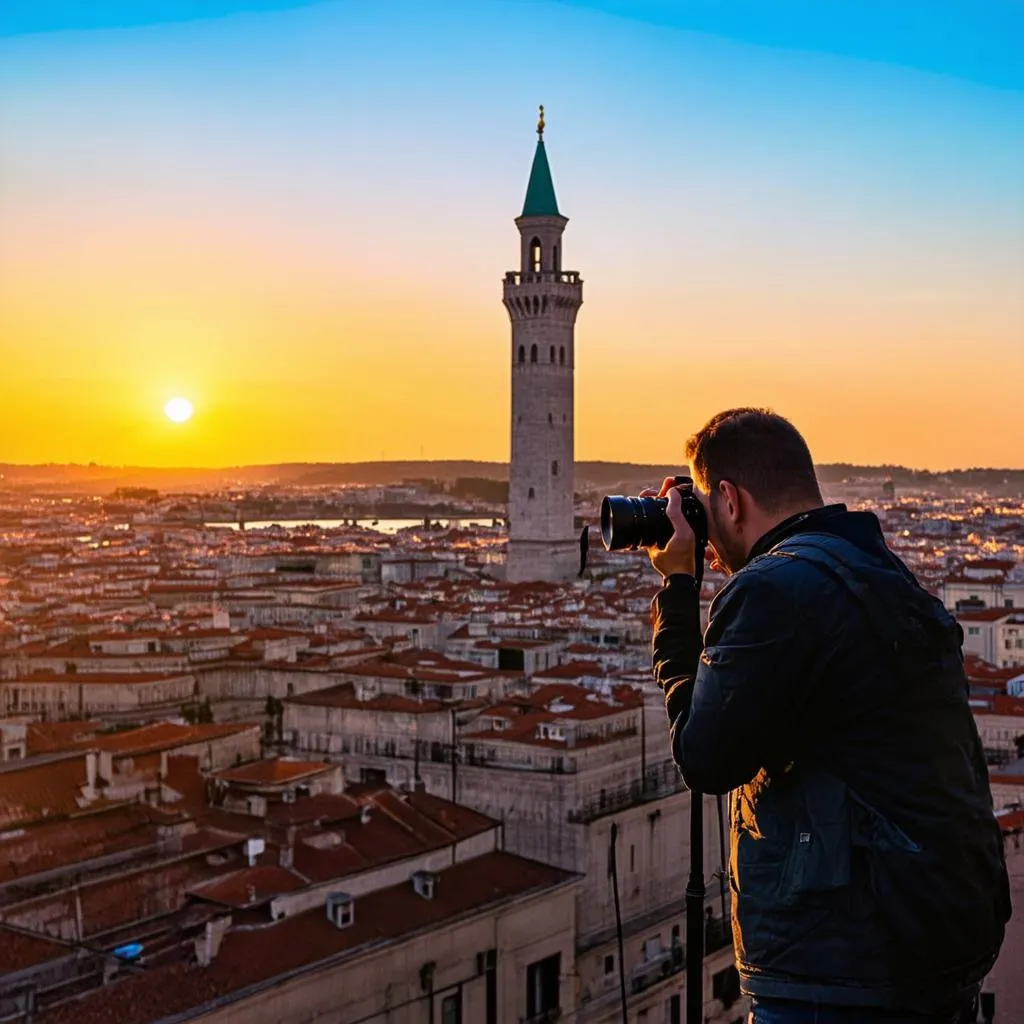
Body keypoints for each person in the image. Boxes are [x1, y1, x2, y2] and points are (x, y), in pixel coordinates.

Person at [645, 408, 1011, 1024]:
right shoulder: (879, 571)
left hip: (837, 964)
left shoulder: (774, 589)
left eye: (703, 507)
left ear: (729, 500)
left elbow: (703, 755)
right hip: (935, 944)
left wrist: (679, 595)